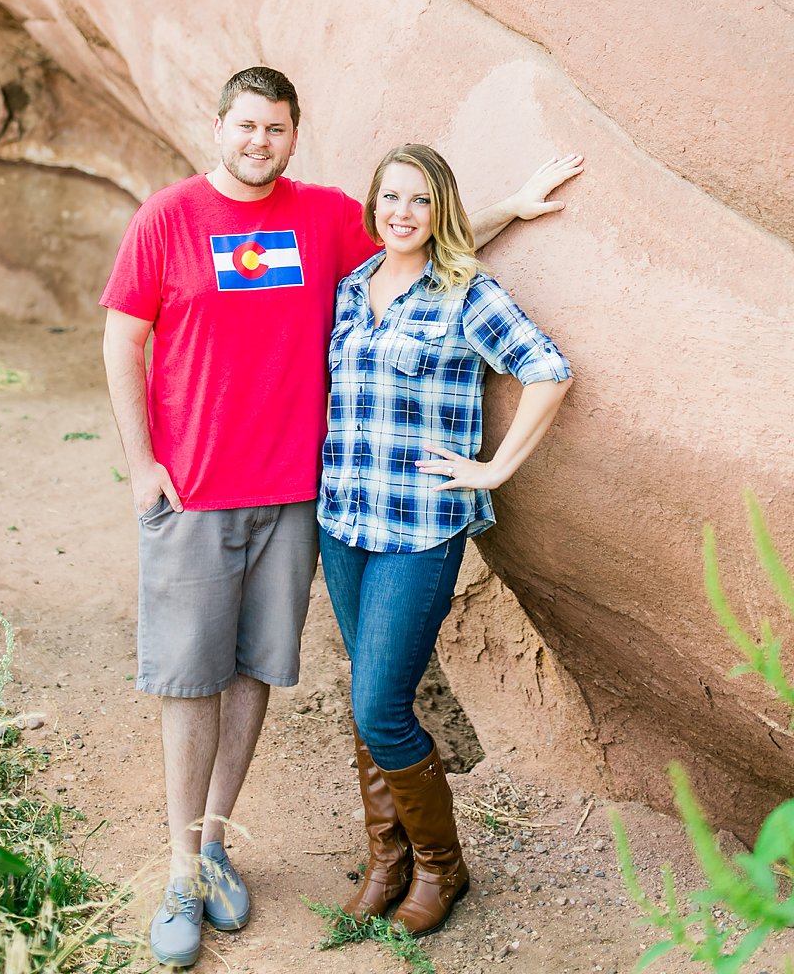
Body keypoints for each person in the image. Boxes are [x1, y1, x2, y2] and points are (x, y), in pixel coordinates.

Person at [98, 65, 579, 969]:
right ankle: (181, 872)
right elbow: (123, 334)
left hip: (298, 499)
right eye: (246, 126)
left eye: (275, 128)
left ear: (292, 134)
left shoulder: (321, 219)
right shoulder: (171, 217)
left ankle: (229, 847)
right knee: (192, 680)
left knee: (254, 676)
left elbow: (426, 238)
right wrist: (141, 465)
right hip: (212, 493)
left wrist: (512, 202)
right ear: (219, 127)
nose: (259, 141)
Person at [319, 144, 570, 935]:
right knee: (369, 705)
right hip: (342, 522)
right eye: (390, 198)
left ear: (441, 211)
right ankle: (388, 858)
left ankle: (440, 866)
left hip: (419, 528)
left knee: (380, 704)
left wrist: (495, 469)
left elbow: (549, 369)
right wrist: (512, 206)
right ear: (374, 205)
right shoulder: (351, 288)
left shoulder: (468, 292)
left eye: (420, 201)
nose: (402, 213)